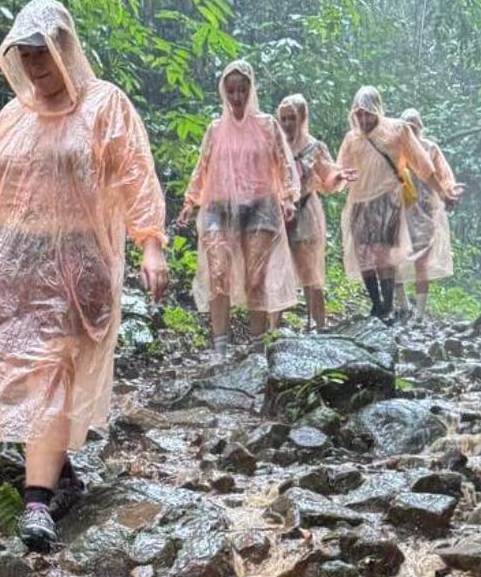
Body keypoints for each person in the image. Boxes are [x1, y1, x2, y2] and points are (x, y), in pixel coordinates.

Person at [0, 0, 168, 553]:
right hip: (13, 267)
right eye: (24, 55)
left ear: (65, 47)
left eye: (41, 53)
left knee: (49, 369)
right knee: (22, 374)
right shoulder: (12, 117)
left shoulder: (104, 105)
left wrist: (151, 244)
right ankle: (60, 472)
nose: (33, 66)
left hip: (79, 268)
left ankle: (35, 503)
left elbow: (135, 178)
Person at [182, 60, 299, 360]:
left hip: (260, 206)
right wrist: (190, 201)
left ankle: (257, 347)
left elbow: (282, 163)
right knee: (218, 274)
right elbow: (203, 167)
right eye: (231, 90)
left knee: (255, 277)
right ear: (224, 91)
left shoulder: (267, 125)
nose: (237, 97)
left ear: (251, 90)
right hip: (219, 207)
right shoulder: (215, 129)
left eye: (242, 90)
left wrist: (288, 197)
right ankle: (220, 349)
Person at [334, 85, 438, 320]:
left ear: (377, 111)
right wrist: (339, 176)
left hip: (387, 200)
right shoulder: (352, 138)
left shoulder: (396, 131)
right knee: (363, 254)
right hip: (359, 202)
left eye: (368, 114)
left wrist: (443, 191)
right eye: (359, 114)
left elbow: (423, 165)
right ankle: (377, 304)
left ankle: (388, 305)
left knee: (383, 254)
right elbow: (340, 168)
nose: (363, 119)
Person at [275, 92, 340, 331]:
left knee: (310, 272)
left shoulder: (315, 148)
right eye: (283, 118)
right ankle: (273, 329)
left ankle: (320, 327)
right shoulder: (274, 145)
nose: (287, 123)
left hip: (306, 212)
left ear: (302, 118)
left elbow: (329, 180)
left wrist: (338, 176)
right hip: (278, 213)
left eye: (292, 118)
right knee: (278, 271)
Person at [397, 108, 462, 316]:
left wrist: (450, 191)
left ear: (420, 128)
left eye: (414, 127)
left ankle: (420, 313)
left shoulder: (430, 149)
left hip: (426, 211)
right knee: (395, 258)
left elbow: (444, 176)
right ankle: (403, 306)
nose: (411, 131)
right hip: (400, 211)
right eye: (407, 127)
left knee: (422, 262)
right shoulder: (395, 149)